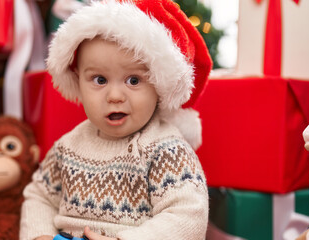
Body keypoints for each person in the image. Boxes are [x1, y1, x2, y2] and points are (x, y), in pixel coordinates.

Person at [20, 0, 212, 240]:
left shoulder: (166, 151)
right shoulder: (69, 145)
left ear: (159, 85)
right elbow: (40, 194)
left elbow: (187, 216)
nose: (114, 96)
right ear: (78, 79)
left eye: (133, 80)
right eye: (99, 80)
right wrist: (39, 235)